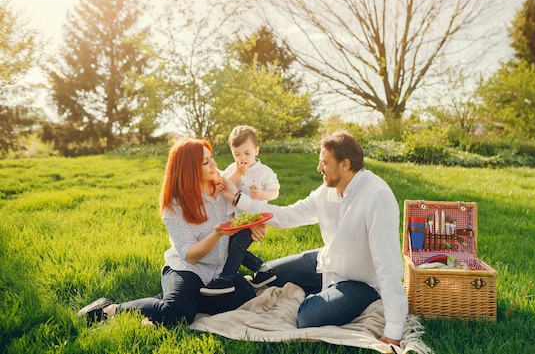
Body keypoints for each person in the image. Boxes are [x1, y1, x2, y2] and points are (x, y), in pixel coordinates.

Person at [221, 130, 408, 346]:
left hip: (359, 282)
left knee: (307, 317)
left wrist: (394, 328)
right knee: (267, 275)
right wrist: (237, 199)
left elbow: (389, 265)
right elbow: (287, 215)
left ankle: (331, 296)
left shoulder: (377, 197)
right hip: (326, 262)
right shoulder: (325, 191)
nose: (319, 168)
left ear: (345, 164)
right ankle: (318, 289)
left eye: (324, 163)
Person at [77, 137, 265, 325]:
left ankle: (170, 299)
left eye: (212, 158)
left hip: (220, 270)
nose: (214, 165)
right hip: (189, 268)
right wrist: (217, 234)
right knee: (176, 314)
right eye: (206, 162)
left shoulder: (226, 185)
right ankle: (111, 309)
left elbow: (250, 212)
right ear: (189, 170)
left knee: (246, 296)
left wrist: (256, 228)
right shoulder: (174, 205)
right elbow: (190, 256)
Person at [200, 125, 280, 295]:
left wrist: (261, 193)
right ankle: (263, 270)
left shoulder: (264, 172)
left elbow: (275, 191)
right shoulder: (233, 168)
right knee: (232, 245)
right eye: (237, 154)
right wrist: (237, 172)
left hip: (255, 218)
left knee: (237, 246)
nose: (242, 158)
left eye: (247, 154)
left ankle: (226, 279)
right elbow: (223, 184)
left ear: (256, 150)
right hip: (237, 219)